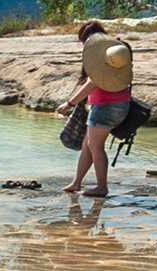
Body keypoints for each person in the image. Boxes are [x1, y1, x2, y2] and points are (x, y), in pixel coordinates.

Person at [56, 21, 134, 197]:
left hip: (105, 107)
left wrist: (69, 104)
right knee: (88, 144)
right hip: (118, 104)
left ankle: (101, 187)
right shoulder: (116, 52)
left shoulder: (104, 56)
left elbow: (92, 83)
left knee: (95, 147)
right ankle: (76, 183)